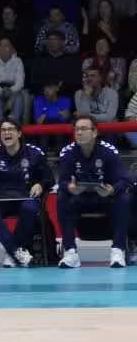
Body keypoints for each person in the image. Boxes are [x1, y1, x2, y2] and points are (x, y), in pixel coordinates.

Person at [56, 114, 131, 269]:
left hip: (104, 198)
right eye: (76, 129)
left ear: (95, 132)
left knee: (122, 199)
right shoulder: (67, 152)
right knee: (62, 197)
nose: (79, 133)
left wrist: (112, 190)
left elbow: (125, 180)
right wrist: (70, 188)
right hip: (80, 198)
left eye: (83, 129)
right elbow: (62, 181)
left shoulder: (109, 152)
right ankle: (70, 251)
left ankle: (118, 250)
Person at [0, 119, 52, 268]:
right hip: (1, 199)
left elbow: (49, 178)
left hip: (26, 198)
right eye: (3, 130)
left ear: (19, 133)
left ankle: (12, 253)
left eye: (10, 129)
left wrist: (40, 184)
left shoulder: (35, 153)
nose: (7, 133)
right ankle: (16, 251)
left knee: (29, 209)